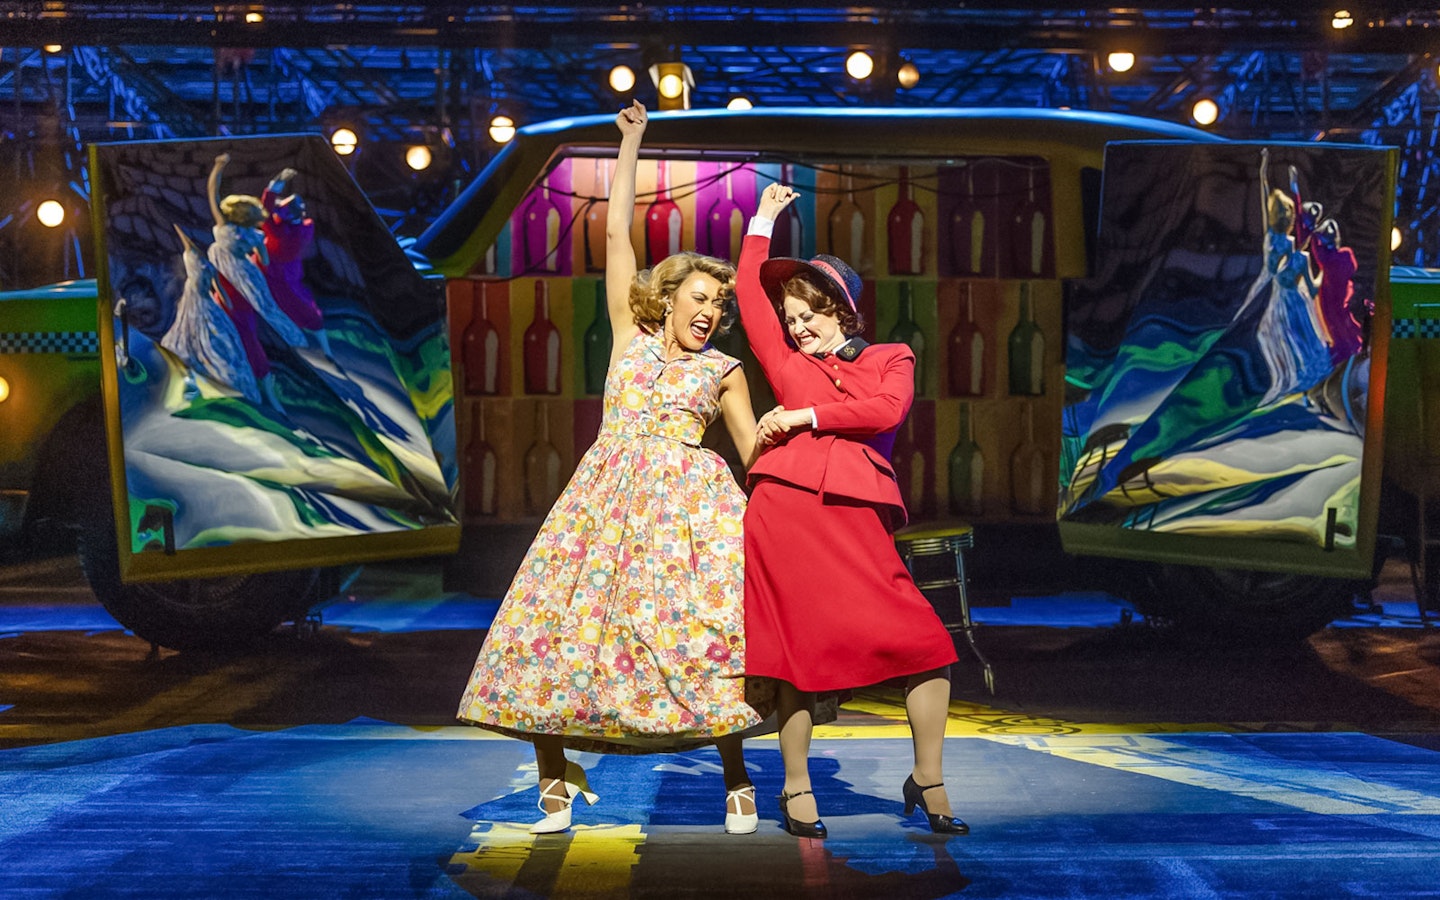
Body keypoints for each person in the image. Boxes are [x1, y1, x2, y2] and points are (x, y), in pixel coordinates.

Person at [457, 100, 767, 836]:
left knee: (703, 639)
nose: (710, 313)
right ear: (669, 297)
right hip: (603, 501)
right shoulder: (631, 336)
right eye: (700, 298)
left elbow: (753, 452)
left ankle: (737, 780)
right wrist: (632, 142)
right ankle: (556, 784)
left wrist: (802, 431)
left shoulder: (724, 370)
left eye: (719, 306)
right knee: (555, 632)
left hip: (689, 514)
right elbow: (615, 232)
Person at [736, 182, 967, 838]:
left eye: (809, 310)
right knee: (797, 658)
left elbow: (884, 412)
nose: (796, 324)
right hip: (783, 513)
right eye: (791, 315)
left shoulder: (892, 357)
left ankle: (928, 778)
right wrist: (763, 219)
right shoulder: (782, 359)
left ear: (841, 308)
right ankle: (797, 788)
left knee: (924, 644)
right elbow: (750, 294)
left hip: (855, 514)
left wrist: (803, 414)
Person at [206, 153, 308, 411]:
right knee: (245, 337)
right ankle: (253, 389)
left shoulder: (223, 226)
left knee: (236, 337)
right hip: (238, 287)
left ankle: (251, 389)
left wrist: (218, 167)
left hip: (228, 288)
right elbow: (261, 260)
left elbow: (212, 193)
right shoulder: (253, 236)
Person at [260, 168, 333, 359]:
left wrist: (275, 186)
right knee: (300, 309)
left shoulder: (283, 231)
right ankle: (323, 349)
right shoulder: (301, 227)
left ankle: (312, 349)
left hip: (276, 274)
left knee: (296, 309)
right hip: (283, 273)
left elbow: (266, 209)